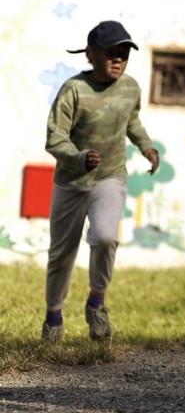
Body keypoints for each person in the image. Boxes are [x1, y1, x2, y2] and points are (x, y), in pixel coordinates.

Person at [41, 20, 159, 342]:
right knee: (61, 253)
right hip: (71, 182)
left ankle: (96, 304)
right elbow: (55, 139)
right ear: (91, 54)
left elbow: (131, 121)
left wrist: (146, 146)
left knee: (106, 237)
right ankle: (53, 318)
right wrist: (79, 158)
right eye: (111, 52)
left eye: (124, 53)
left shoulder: (131, 88)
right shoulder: (73, 90)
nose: (118, 59)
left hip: (109, 177)